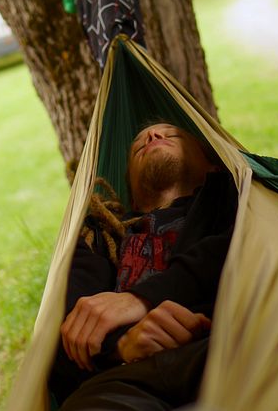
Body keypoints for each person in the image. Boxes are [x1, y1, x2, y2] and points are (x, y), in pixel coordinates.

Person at [48, 122, 238, 410]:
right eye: (139, 145)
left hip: (224, 343)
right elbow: (63, 341)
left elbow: (240, 251)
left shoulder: (236, 198)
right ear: (133, 195)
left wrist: (142, 298)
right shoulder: (99, 238)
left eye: (171, 134)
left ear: (212, 165)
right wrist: (122, 345)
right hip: (126, 379)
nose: (153, 135)